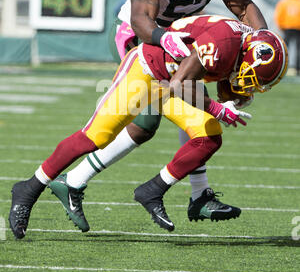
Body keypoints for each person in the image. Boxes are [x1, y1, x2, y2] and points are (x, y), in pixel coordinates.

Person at [9, 0, 268, 235]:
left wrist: (262, 39)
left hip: (179, 41)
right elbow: (141, 22)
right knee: (145, 121)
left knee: (183, 122)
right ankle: (63, 183)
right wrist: (166, 40)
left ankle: (192, 192)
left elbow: (243, 6)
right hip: (140, 39)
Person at [9, 14, 288, 237]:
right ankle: (28, 189)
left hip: (172, 79)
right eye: (253, 77)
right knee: (94, 137)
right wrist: (216, 107)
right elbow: (181, 84)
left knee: (209, 135)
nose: (252, 83)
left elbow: (196, 78)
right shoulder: (225, 42)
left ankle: (153, 190)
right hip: (146, 72)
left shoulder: (242, 44)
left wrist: (231, 96)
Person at [274, 0, 300, 75]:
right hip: (298, 27)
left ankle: (280, 66)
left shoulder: (284, 2)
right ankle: (297, 69)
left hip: (287, 27)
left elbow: (279, 15)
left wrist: (281, 26)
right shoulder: (299, 2)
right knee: (298, 49)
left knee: (284, 48)